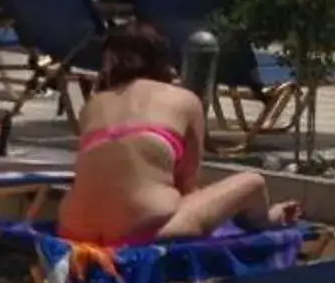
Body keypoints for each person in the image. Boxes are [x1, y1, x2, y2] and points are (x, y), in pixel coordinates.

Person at [59, 25, 299, 247]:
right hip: (140, 231)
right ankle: (268, 219)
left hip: (74, 228)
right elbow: (187, 183)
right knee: (252, 181)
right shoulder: (184, 100)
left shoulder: (93, 105)